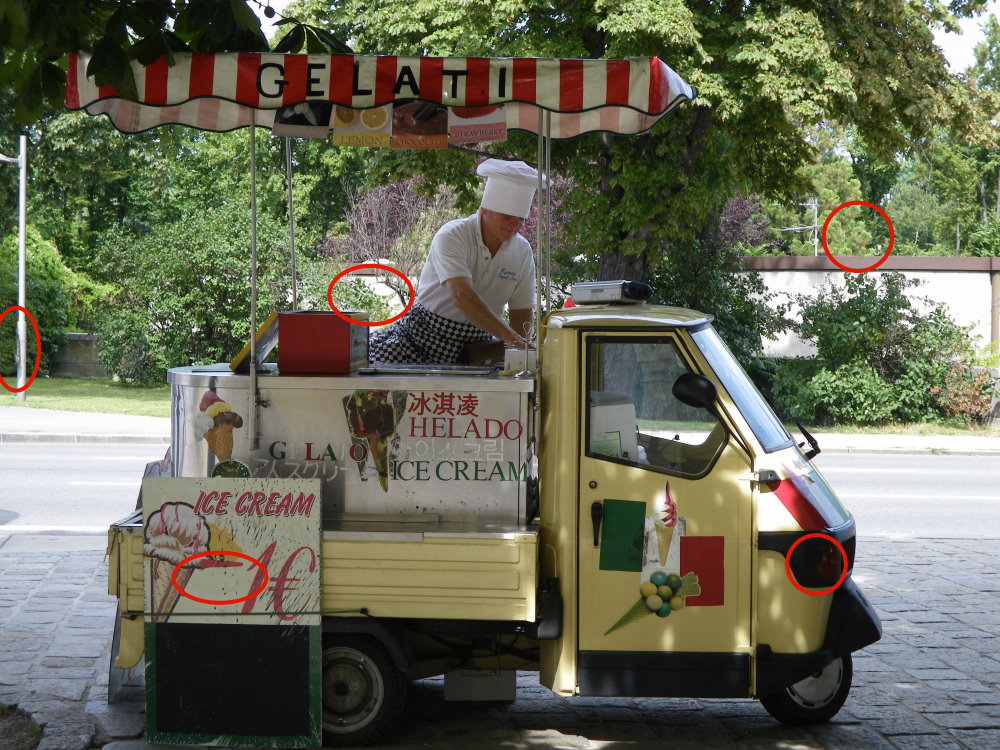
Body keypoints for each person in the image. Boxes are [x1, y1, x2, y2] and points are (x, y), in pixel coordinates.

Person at [369, 158, 540, 364]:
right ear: (485, 209)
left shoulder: (522, 251)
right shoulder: (453, 235)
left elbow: (521, 312)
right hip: (418, 339)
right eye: (508, 216)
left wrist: (520, 353)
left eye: (521, 219)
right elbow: (462, 296)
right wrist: (513, 341)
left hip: (477, 350)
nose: (516, 225)